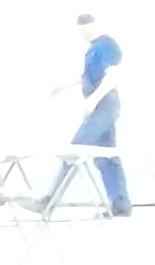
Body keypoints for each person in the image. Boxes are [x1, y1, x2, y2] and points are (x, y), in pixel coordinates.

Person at [49, 14, 129, 217]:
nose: (83, 35)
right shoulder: (93, 49)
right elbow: (87, 77)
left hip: (105, 104)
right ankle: (121, 204)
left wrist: (94, 99)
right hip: (100, 104)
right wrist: (63, 87)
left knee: (76, 148)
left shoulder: (107, 45)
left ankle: (49, 200)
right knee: (106, 156)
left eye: (85, 30)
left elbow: (113, 75)